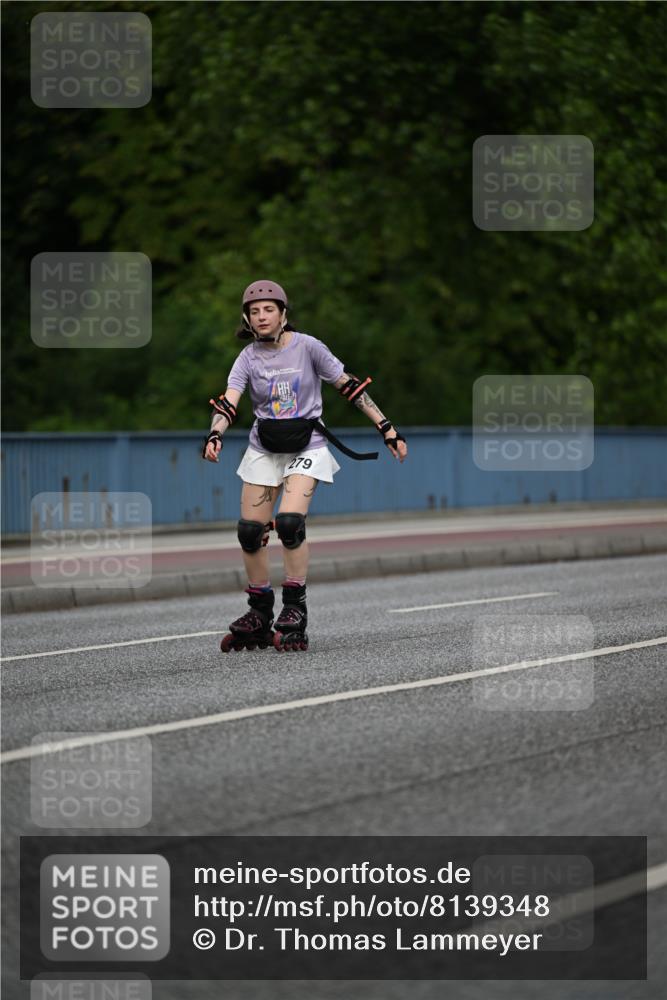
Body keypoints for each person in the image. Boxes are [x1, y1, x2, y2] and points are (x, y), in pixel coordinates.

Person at [203, 279, 408, 652]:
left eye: (268, 309)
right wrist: (215, 434)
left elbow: (349, 387)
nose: (261, 316)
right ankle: (260, 612)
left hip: (308, 444)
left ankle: (295, 609)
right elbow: (229, 402)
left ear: (283, 313)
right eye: (254, 311)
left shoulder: (308, 347)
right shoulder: (248, 357)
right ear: (247, 319)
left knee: (289, 523)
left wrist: (387, 428)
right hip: (264, 446)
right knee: (250, 531)